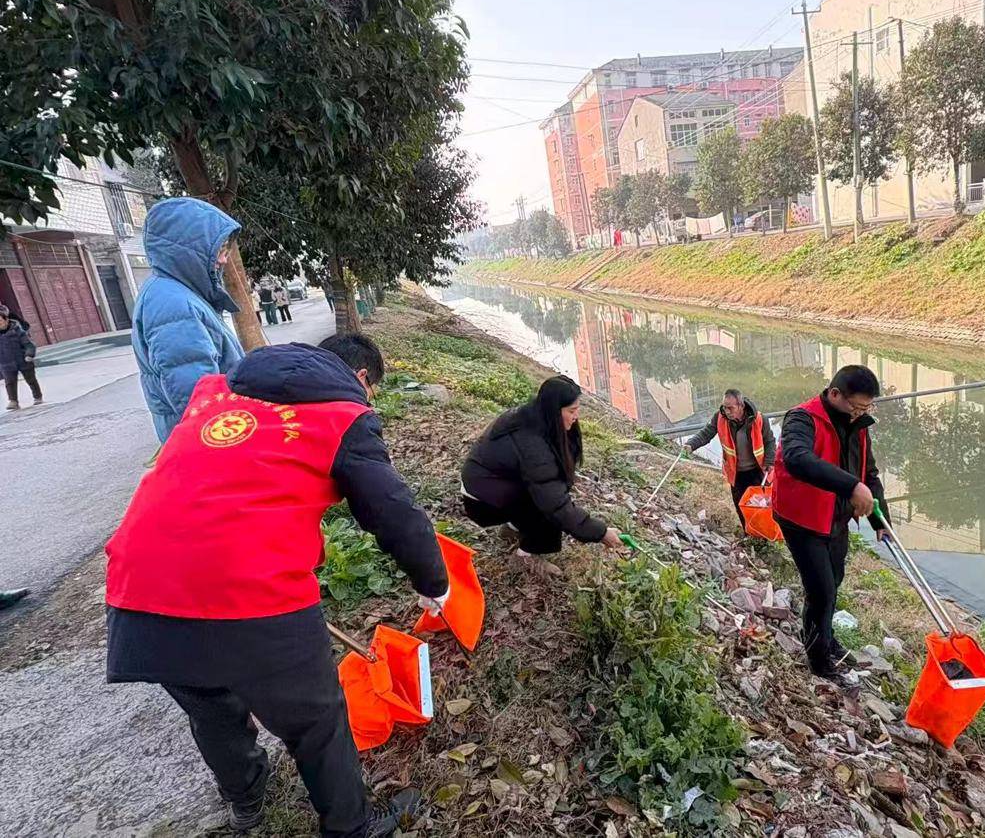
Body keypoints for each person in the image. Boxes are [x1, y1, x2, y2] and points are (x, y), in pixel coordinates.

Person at [105, 334, 448, 837]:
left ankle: (245, 799)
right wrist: (433, 582)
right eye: (371, 390)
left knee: (211, 707)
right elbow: (393, 510)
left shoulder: (213, 395)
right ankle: (351, 828)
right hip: (252, 588)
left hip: (139, 584)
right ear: (360, 378)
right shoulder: (342, 417)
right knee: (316, 720)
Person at [771, 365, 892, 680]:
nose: (859, 414)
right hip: (802, 519)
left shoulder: (857, 424)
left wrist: (881, 520)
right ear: (835, 394)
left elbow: (869, 474)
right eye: (856, 407)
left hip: (836, 518)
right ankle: (819, 661)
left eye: (866, 409)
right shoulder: (801, 418)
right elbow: (798, 459)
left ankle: (824, 635)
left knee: (834, 580)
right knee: (821, 591)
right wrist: (851, 487)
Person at [461, 375, 622, 577]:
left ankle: (513, 528)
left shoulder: (535, 417)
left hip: (493, 489)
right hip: (482, 503)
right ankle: (525, 557)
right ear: (554, 410)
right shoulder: (532, 445)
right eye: (571, 411)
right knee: (548, 505)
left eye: (577, 410)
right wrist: (601, 532)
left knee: (546, 494)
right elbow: (556, 505)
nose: (576, 417)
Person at [132, 197, 245, 442]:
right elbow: (197, 396)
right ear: (188, 250)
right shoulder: (171, 301)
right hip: (213, 438)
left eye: (225, 250)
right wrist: (228, 443)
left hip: (215, 432)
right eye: (219, 250)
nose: (223, 260)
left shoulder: (177, 292)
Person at [684, 389, 775, 531]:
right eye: (725, 407)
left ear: (741, 406)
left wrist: (769, 461)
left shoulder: (758, 419)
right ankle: (748, 533)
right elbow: (706, 433)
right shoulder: (720, 418)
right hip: (736, 473)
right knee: (741, 506)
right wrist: (691, 445)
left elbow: (769, 441)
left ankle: (763, 534)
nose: (727, 411)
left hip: (757, 472)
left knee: (760, 507)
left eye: (730, 408)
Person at [0, 304, 42, 411]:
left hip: (23, 360)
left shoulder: (17, 331)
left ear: (6, 320)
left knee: (31, 379)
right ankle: (13, 401)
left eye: (0, 321)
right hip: (6, 362)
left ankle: (37, 396)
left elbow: (29, 345)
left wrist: (29, 354)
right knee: (9, 382)